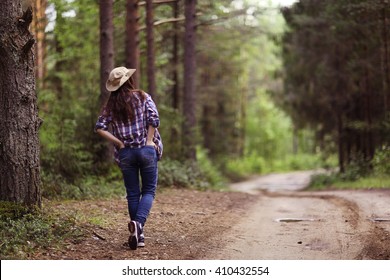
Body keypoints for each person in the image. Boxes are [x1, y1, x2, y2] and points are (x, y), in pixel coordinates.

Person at [95, 66, 162, 250]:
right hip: (146, 150)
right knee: (149, 191)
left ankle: (138, 236)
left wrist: (119, 143)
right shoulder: (142, 96)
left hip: (126, 153)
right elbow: (154, 119)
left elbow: (99, 127)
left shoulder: (111, 104)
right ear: (128, 80)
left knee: (133, 194)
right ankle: (138, 225)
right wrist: (149, 141)